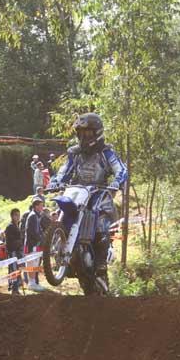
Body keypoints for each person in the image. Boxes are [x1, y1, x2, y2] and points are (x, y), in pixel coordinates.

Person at [48, 112, 128, 284]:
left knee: (100, 224)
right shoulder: (74, 153)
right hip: (78, 192)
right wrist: (55, 181)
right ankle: (61, 252)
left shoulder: (106, 153)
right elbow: (64, 170)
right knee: (62, 210)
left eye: (88, 133)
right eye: (81, 133)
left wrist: (116, 182)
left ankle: (100, 263)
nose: (84, 137)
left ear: (97, 133)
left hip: (100, 193)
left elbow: (121, 169)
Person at [24, 199, 46, 292]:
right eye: (41, 205)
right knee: (32, 263)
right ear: (36, 206)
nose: (42, 207)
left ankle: (33, 282)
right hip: (31, 244)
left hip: (34, 244)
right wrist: (41, 239)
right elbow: (32, 232)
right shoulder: (33, 216)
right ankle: (32, 283)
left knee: (35, 263)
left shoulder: (36, 216)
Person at [5, 208, 24, 295]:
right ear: (12, 216)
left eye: (19, 215)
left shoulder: (17, 225)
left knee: (18, 270)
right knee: (14, 270)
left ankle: (16, 288)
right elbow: (10, 241)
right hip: (13, 251)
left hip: (18, 251)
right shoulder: (10, 227)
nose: (18, 217)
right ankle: (14, 289)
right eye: (16, 215)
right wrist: (19, 242)